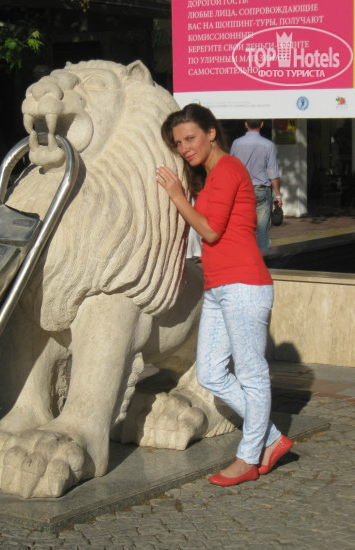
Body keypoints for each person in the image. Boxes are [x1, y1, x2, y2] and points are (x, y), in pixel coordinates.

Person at [156, 104, 292, 487]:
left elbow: (211, 231)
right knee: (211, 373)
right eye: (178, 143)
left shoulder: (229, 169)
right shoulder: (213, 176)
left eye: (190, 138)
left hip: (243, 284)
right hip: (218, 286)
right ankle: (272, 438)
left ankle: (249, 457)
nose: (184, 148)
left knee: (251, 373)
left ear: (211, 133)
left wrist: (177, 196)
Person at [230, 120, 282, 250]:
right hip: (261, 190)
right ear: (262, 124)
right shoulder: (268, 145)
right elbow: (273, 173)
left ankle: (244, 254)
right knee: (262, 229)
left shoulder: (236, 143)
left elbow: (231, 168)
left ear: (246, 124)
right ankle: (263, 257)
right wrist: (278, 195)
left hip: (241, 190)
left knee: (243, 227)